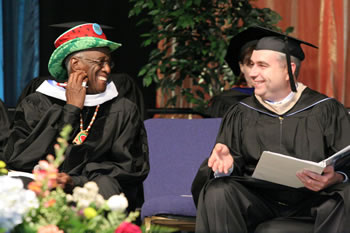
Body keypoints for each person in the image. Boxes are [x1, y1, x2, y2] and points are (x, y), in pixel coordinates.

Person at [192, 26, 350, 233]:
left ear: (289, 70)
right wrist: (225, 168)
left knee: (345, 194)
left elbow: (346, 161)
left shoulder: (325, 109)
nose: (252, 72)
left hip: (313, 201)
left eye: (262, 65)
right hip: (258, 201)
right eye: (250, 65)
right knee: (218, 190)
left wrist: (337, 176)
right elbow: (229, 167)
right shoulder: (241, 113)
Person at [3, 23, 150, 210]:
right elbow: (20, 158)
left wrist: (76, 180)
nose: (107, 69)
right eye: (100, 62)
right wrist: (71, 109)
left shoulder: (122, 109)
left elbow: (131, 167)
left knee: (106, 186)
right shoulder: (38, 104)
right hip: (43, 188)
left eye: (109, 62)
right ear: (75, 64)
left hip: (93, 191)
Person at [205, 35, 256, 118]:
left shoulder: (280, 103)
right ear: (241, 67)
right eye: (251, 65)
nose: (256, 71)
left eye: (263, 65)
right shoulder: (225, 101)